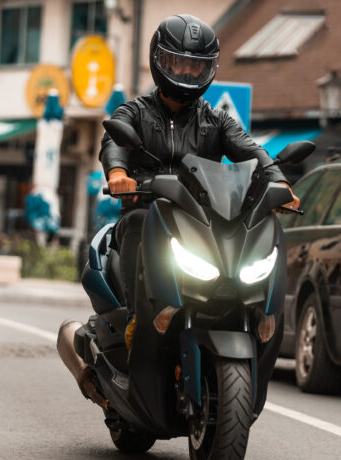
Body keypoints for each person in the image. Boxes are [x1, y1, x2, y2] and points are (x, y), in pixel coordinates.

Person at [99, 14, 300, 329]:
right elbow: (114, 140)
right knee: (138, 222)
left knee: (252, 230)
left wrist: (279, 182)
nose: (188, 72)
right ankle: (136, 318)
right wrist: (117, 174)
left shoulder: (217, 120)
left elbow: (252, 151)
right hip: (148, 208)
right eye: (178, 63)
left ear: (209, 69)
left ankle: (259, 311)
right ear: (159, 61)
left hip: (202, 220)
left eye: (197, 66)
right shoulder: (134, 111)